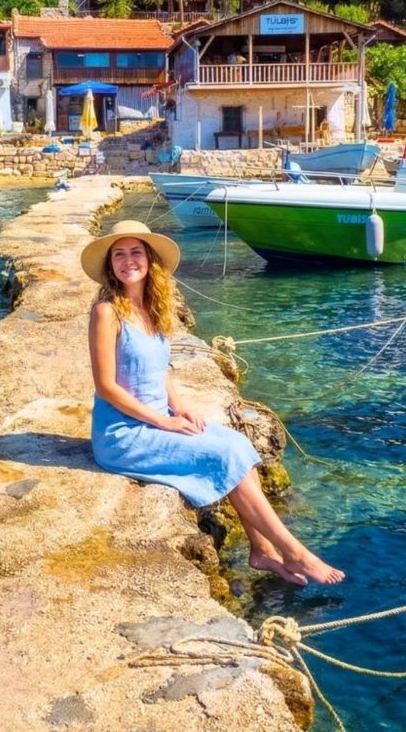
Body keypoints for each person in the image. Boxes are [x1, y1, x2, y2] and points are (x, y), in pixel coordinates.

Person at [82, 220, 345, 586]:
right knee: (223, 456)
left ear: (149, 259)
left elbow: (160, 371)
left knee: (238, 444)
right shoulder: (107, 312)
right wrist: (165, 422)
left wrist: (181, 406)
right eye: (119, 254)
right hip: (123, 435)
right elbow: (106, 387)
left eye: (136, 252)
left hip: (157, 419)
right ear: (110, 264)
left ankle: (261, 550)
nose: (128, 261)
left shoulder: (152, 308)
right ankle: (294, 551)